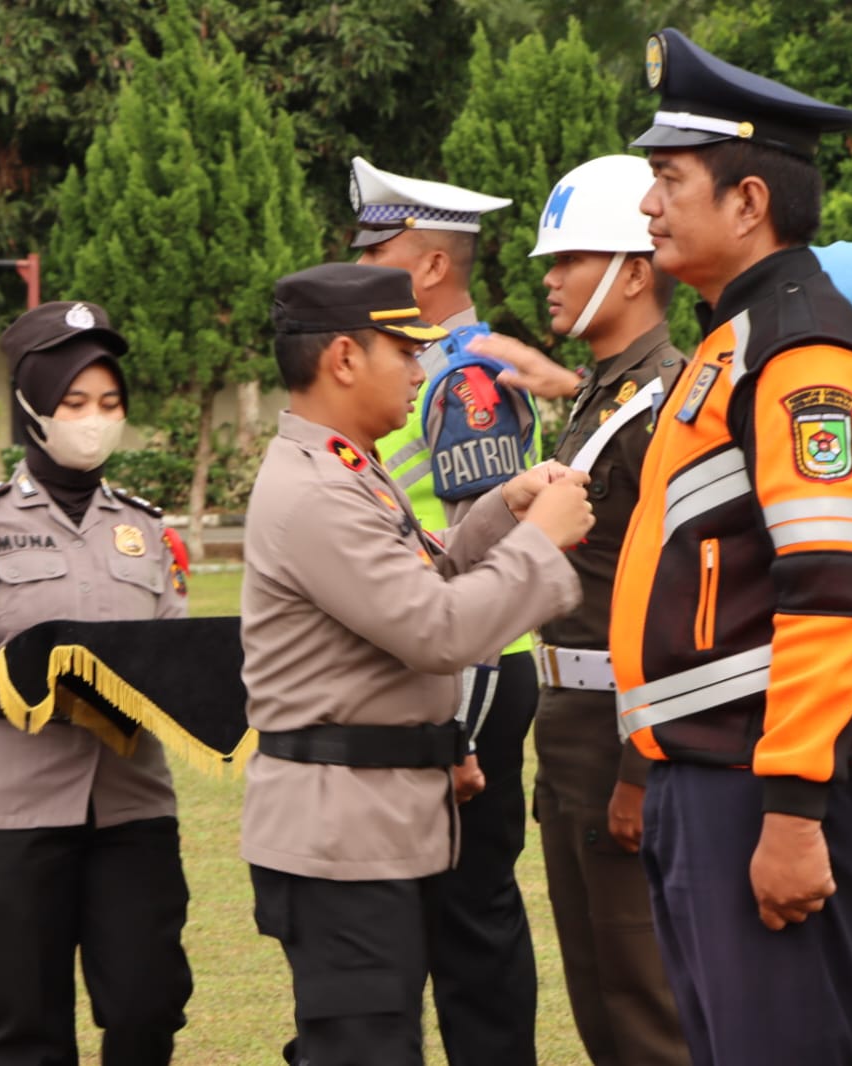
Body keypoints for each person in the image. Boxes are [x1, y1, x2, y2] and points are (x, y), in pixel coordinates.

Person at [610, 29, 852, 1064]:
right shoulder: (736, 334)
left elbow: (834, 586)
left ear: (748, 202)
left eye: (668, 180)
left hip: (770, 774)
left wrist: (794, 810)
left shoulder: (803, 350)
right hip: (713, 765)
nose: (648, 204)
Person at [240, 262, 589, 1066]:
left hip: (377, 817)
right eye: (405, 349)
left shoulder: (345, 470)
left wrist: (505, 509)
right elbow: (435, 629)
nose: (421, 369)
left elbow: (416, 581)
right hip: (340, 834)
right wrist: (542, 541)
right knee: (366, 1049)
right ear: (343, 359)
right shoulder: (318, 491)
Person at [468, 153, 692, 1066]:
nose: (549, 279)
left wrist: (642, 760)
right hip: (568, 715)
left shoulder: (665, 400)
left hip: (622, 724)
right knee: (598, 991)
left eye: (570, 259)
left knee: (646, 1001)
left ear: (634, 271)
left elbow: (674, 596)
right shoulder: (600, 394)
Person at [0, 301, 194, 1066]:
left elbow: (171, 652)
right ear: (35, 405)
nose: (95, 420)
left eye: (109, 404)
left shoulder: (144, 530)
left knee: (149, 1006)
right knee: (25, 1032)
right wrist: (39, 676)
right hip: (11, 815)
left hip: (132, 807)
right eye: (75, 403)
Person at [348, 156, 545, 1065]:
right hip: (427, 668)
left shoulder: (463, 382)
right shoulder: (416, 368)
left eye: (374, 251)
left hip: (469, 675)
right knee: (413, 912)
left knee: (469, 918)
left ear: (427, 267)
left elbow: (489, 560)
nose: (357, 268)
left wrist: (458, 732)